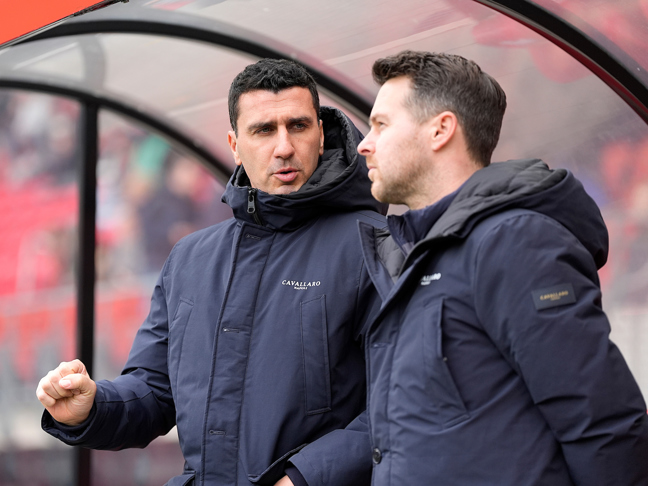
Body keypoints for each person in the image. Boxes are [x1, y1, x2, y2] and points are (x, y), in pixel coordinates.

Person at [36, 59, 387, 486]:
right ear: (235, 145)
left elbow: (400, 399)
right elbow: (154, 390)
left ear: (320, 133)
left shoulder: (374, 245)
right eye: (263, 130)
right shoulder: (190, 259)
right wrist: (92, 407)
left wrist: (304, 479)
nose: (284, 147)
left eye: (297, 126)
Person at [355, 50, 648, 485]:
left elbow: (600, 421)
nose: (364, 143)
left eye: (381, 125)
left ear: (440, 130)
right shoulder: (423, 255)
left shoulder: (513, 241)